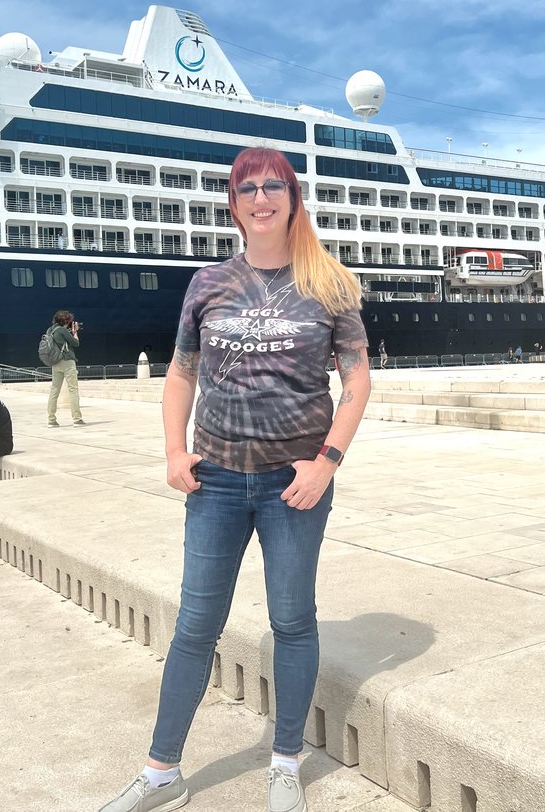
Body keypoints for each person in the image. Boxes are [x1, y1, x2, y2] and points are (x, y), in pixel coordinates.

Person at [101, 148, 372, 812]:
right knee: (196, 623)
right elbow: (181, 373)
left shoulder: (331, 282)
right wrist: (172, 450)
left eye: (272, 186)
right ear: (234, 202)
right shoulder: (208, 283)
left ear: (292, 197)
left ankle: (284, 761)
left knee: (291, 619)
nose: (260, 197)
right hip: (215, 480)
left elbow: (357, 379)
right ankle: (163, 771)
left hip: (294, 484)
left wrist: (327, 460)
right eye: (247, 188)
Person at [46, 311, 85, 427]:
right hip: (67, 361)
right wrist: (75, 332)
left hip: (55, 362)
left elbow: (59, 341)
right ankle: (77, 419)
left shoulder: (50, 330)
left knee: (54, 390)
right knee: (73, 390)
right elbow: (75, 343)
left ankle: (51, 420)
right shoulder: (62, 330)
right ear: (66, 321)